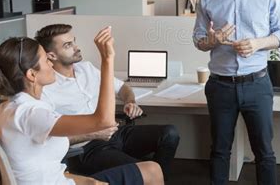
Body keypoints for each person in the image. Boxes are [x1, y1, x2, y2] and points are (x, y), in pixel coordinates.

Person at [0, 28, 163, 185]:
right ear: (32, 74)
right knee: (152, 171)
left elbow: (36, 170)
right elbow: (104, 121)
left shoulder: (11, 107)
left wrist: (87, 181)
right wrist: (107, 59)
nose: (51, 64)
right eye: (46, 60)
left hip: (61, 179)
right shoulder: (30, 113)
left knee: (149, 166)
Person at [193, 0, 280, 185]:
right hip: (220, 85)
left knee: (264, 153)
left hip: (257, 84)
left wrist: (258, 43)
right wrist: (212, 41)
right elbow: (199, 40)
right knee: (219, 150)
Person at [34, 24, 179, 180]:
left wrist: (130, 102)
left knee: (170, 133)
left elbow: (123, 87)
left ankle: (160, 179)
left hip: (114, 133)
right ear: (51, 56)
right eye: (68, 45)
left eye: (74, 41)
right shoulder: (47, 89)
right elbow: (52, 140)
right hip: (87, 148)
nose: (76, 47)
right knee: (145, 170)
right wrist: (93, 133)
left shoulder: (87, 68)